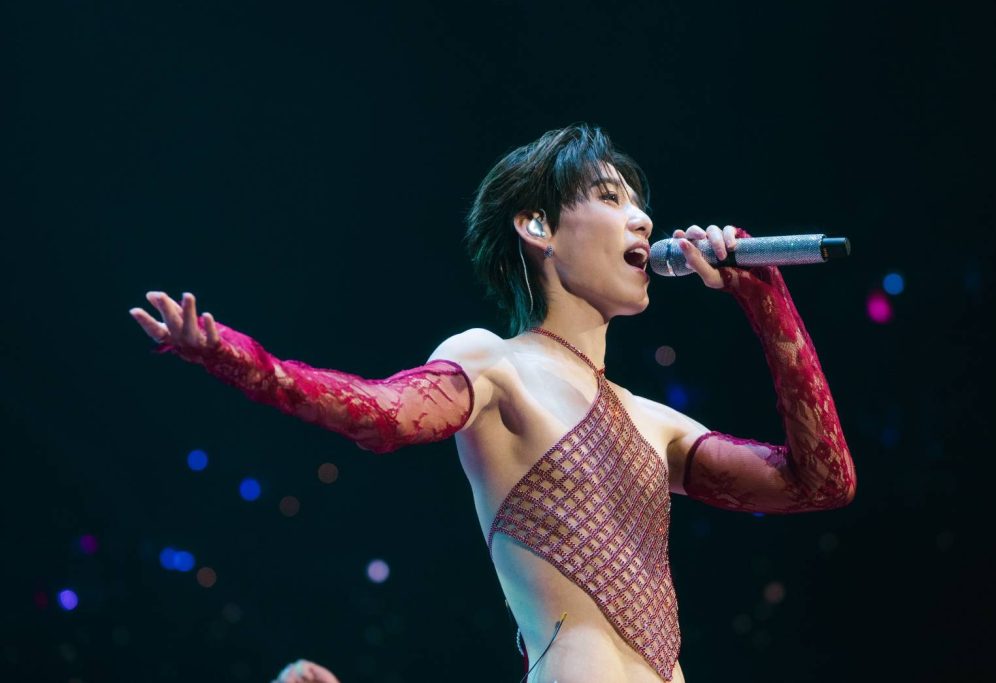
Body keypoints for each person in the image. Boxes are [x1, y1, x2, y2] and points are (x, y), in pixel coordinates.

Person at [129, 124, 856, 683]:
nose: (641, 220)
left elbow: (822, 482)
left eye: (641, 205)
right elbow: (374, 414)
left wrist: (768, 303)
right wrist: (232, 355)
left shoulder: (655, 422)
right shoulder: (495, 363)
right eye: (610, 198)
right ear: (537, 227)